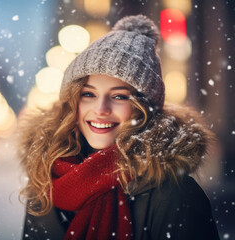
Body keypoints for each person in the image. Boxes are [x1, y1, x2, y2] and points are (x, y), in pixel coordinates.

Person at [18, 14, 220, 240]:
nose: (101, 109)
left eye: (119, 97)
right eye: (88, 94)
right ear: (73, 100)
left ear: (144, 107)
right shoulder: (46, 182)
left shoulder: (176, 196)